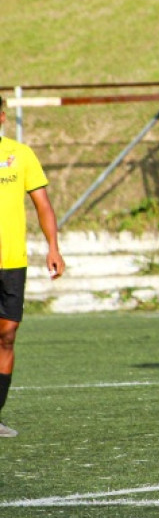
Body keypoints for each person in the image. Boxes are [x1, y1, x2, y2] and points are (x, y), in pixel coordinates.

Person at [0, 96, 66, 437]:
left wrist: (53, 246)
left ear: (1, 116)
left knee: (7, 336)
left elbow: (43, 204)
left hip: (12, 262)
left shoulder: (20, 154)